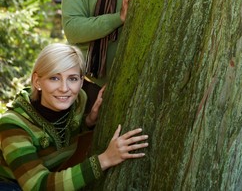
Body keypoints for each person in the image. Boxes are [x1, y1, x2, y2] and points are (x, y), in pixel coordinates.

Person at [0, 43, 148, 190]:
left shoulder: (78, 101)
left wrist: (88, 121)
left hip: (52, 178)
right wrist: (105, 159)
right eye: (54, 78)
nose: (64, 88)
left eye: (73, 79)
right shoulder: (13, 125)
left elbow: (64, 130)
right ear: (37, 81)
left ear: (81, 81)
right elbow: (37, 186)